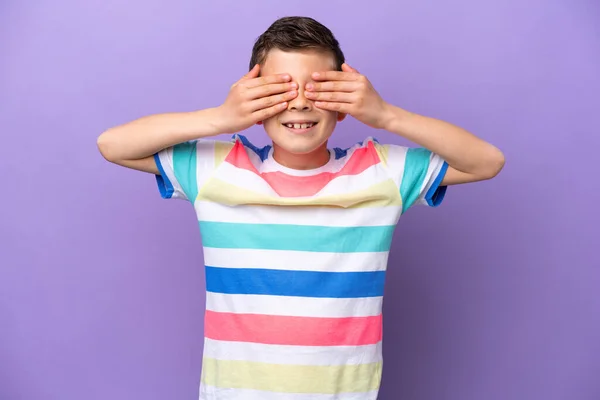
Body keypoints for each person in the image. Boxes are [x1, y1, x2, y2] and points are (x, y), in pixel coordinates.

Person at [97, 15, 504, 400]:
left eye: (318, 89)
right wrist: (221, 118)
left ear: (343, 103)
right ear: (255, 103)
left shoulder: (382, 172)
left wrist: (386, 115)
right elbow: (112, 145)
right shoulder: (216, 169)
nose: (299, 104)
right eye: (280, 90)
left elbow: (487, 161)